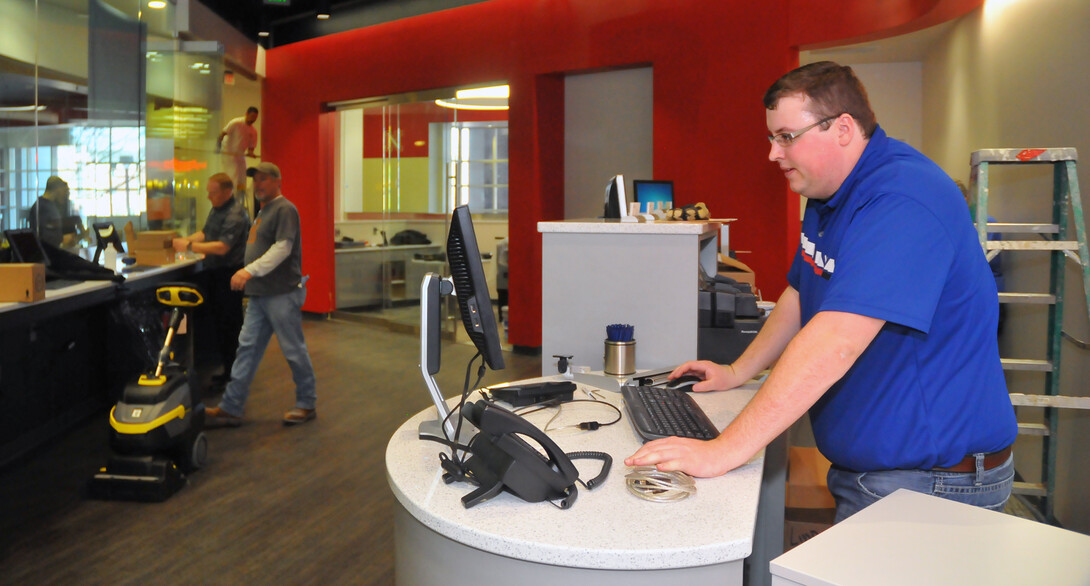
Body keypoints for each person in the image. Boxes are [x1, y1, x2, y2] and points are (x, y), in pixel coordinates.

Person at [626, 61, 1017, 522]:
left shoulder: (904, 199)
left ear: (843, 129)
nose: (774, 153)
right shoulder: (829, 191)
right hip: (878, 470)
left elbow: (835, 342)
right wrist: (738, 369)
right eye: (772, 137)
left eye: (786, 136)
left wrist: (722, 451)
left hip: (931, 482)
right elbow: (802, 290)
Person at [206, 162, 318, 427]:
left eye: (264, 179)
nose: (259, 184)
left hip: (281, 294)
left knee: (293, 350)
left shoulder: (285, 209)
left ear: (278, 181)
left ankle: (306, 403)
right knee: (246, 349)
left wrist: (248, 272)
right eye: (256, 180)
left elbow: (283, 248)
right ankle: (232, 406)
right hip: (259, 296)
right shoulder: (263, 211)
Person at [173, 172, 252, 390]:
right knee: (219, 325)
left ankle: (235, 376)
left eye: (212, 192)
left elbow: (221, 247)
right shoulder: (217, 209)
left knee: (230, 325)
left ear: (227, 192)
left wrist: (188, 246)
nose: (208, 196)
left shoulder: (236, 214)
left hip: (229, 274)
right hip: (216, 274)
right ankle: (228, 371)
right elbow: (206, 233)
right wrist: (186, 239)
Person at [217, 106, 259, 195]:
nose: (253, 120)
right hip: (229, 153)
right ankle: (230, 196)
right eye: (252, 117)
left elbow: (251, 148)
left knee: (242, 177)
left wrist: (251, 153)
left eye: (255, 118)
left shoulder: (253, 131)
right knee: (233, 176)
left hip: (240, 154)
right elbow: (223, 134)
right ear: (247, 114)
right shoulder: (235, 123)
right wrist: (218, 146)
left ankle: (240, 197)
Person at [28, 176, 76, 248]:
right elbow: (43, 235)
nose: (65, 195)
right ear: (57, 189)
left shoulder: (50, 205)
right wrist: (62, 239)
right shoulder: (41, 207)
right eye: (64, 190)